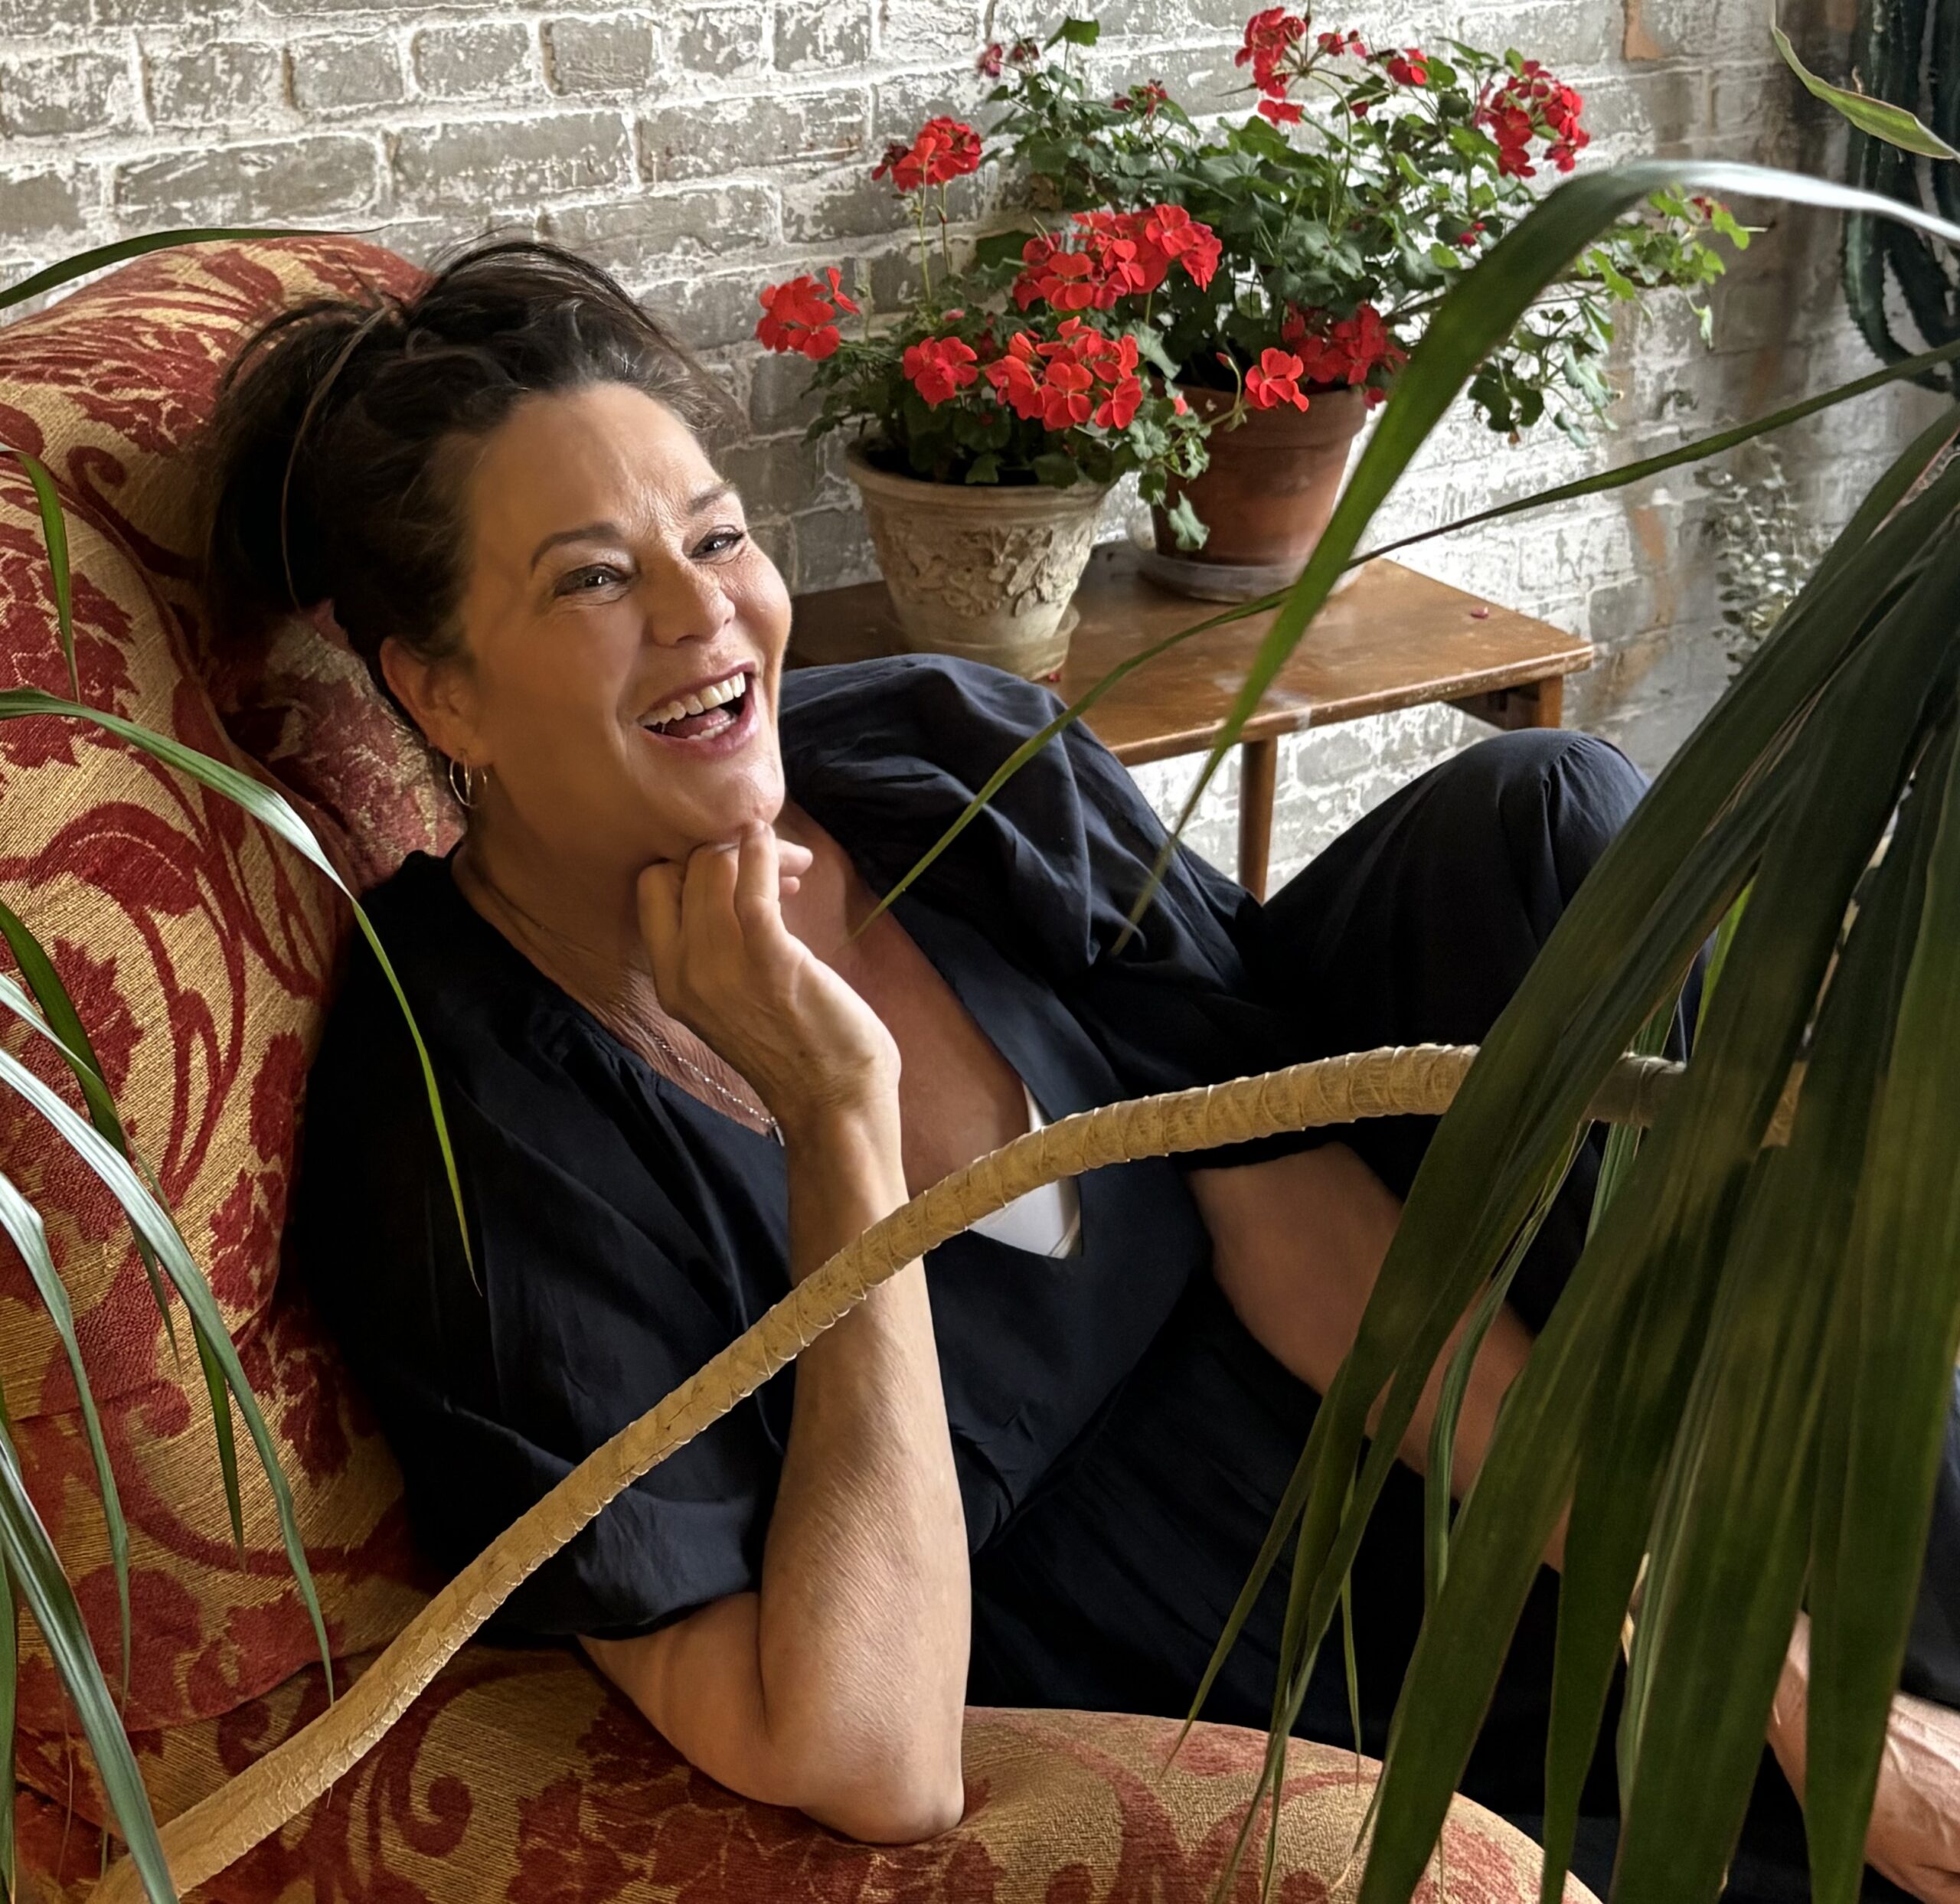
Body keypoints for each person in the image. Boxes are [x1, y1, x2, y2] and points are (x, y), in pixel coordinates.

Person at [201, 239, 1957, 1901]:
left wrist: (1738, 1638)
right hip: (1168, 1661)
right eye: (591, 578)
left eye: (716, 536)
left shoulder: (935, 756)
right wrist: (836, 1116)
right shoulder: (468, 1122)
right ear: (440, 694)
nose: (703, 614)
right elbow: (868, 1753)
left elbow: (1307, 1242)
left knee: (1542, 817)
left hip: (1401, 1442)